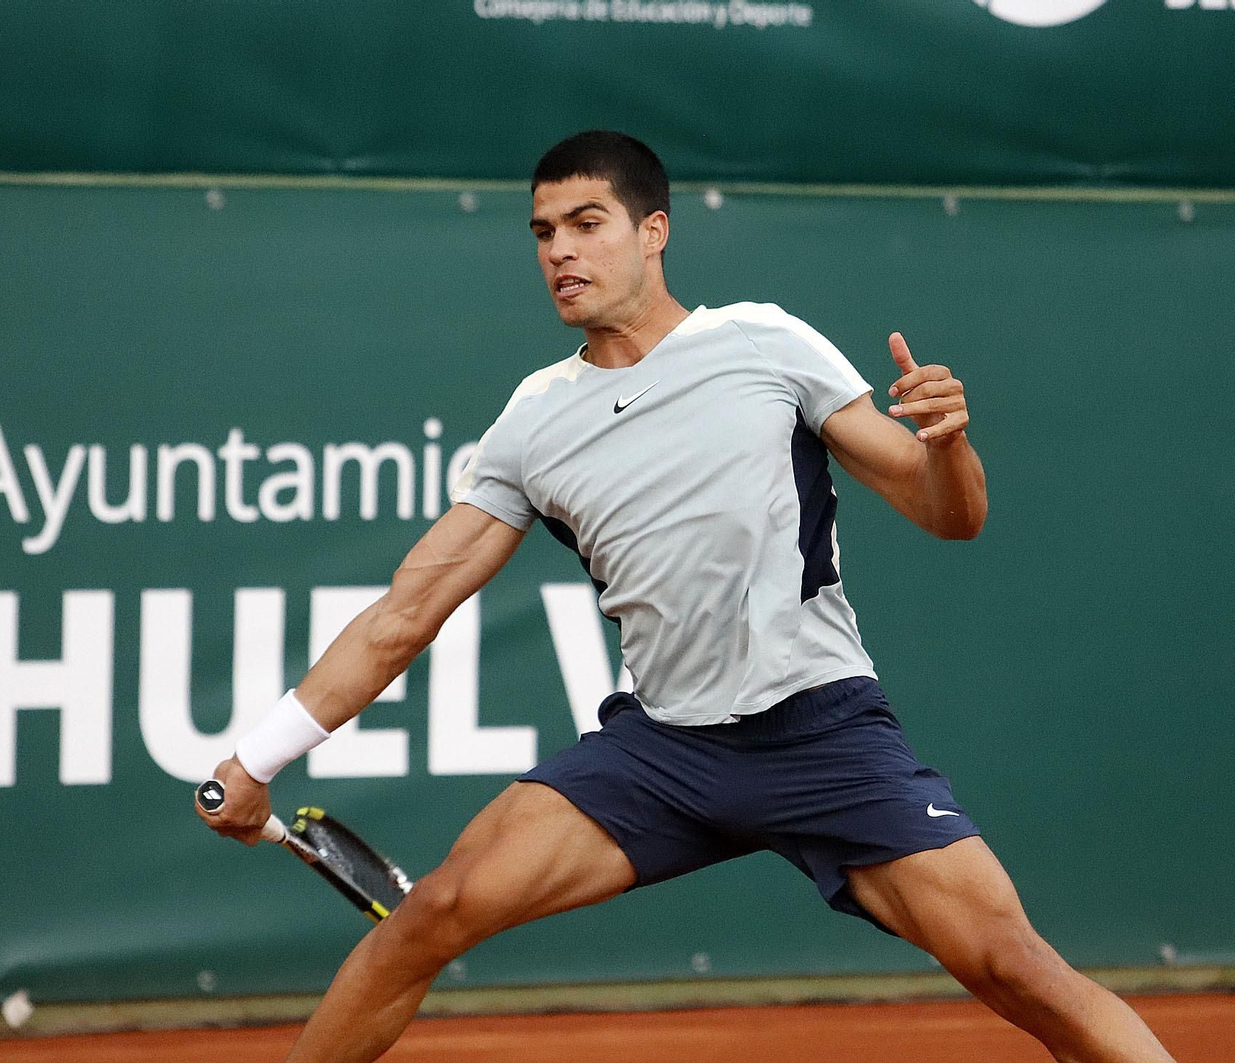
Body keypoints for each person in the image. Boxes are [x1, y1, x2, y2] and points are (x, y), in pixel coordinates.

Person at [196, 130, 1177, 1063]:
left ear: (652, 231)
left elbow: (947, 513)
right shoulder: (532, 422)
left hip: (824, 733)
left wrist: (949, 445)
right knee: (432, 916)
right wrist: (259, 756)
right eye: (542, 232)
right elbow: (404, 614)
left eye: (587, 223)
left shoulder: (765, 343)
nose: (559, 252)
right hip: (664, 751)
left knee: (1019, 968)